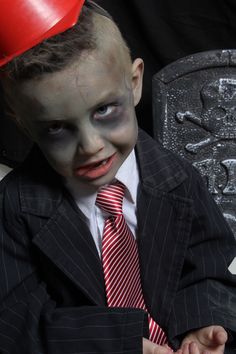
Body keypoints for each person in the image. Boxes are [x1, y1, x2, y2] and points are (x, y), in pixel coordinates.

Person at [0, 1, 235, 353]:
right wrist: (121, 343)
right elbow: (14, 320)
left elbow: (208, 268)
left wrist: (203, 323)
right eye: (57, 128)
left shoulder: (179, 179)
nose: (91, 146)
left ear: (135, 82)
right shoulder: (14, 207)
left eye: (104, 110)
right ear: (23, 123)